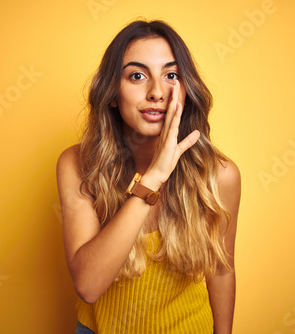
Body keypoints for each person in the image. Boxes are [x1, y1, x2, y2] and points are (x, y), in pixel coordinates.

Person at [57, 19, 241, 334]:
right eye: (137, 76)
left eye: (171, 75)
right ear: (113, 93)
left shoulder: (220, 175)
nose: (156, 92)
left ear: (186, 89)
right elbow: (87, 285)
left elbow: (221, 270)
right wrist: (152, 179)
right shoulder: (77, 164)